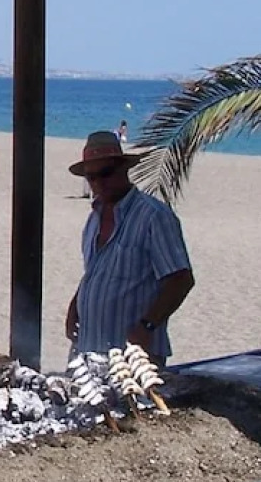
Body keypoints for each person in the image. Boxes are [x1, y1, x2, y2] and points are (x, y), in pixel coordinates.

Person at [65, 130, 194, 363]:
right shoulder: (94, 217)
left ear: (123, 168)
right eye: (91, 177)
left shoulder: (154, 217)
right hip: (88, 348)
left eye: (105, 174)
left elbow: (180, 279)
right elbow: (96, 270)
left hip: (133, 355)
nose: (98, 183)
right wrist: (76, 304)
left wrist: (147, 325)